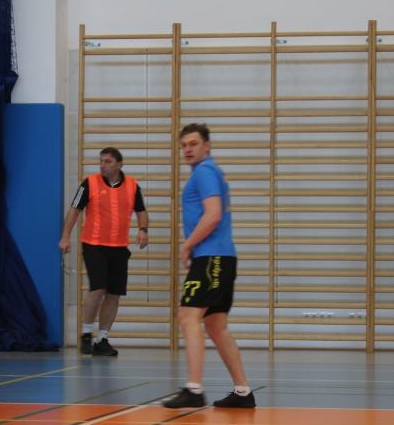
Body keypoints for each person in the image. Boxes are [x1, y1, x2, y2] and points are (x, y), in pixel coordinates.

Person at [163, 124, 255, 408]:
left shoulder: (204, 172)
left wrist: (188, 245)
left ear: (207, 146)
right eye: (184, 145)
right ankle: (243, 392)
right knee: (215, 326)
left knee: (187, 316)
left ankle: (194, 389)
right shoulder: (208, 172)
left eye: (193, 144)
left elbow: (213, 215)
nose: (188, 149)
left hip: (211, 258)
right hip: (221, 258)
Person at [59, 147, 149, 357]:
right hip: (94, 244)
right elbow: (74, 210)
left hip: (119, 247)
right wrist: (65, 236)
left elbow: (141, 211)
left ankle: (102, 339)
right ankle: (86, 333)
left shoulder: (132, 186)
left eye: (108, 161)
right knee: (98, 288)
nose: (102, 165)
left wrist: (143, 230)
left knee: (113, 294)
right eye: (101, 161)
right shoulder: (89, 183)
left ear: (119, 164)